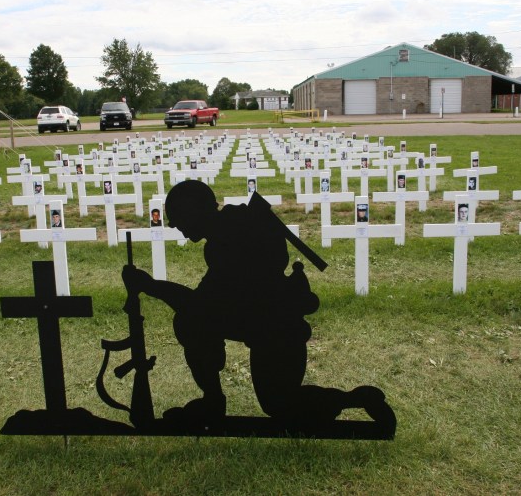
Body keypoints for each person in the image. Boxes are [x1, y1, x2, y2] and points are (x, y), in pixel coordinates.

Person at [122, 180, 393, 428]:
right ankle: (213, 400)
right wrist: (152, 286)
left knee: (280, 405)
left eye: (179, 219)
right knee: (191, 322)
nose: (177, 227)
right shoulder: (223, 235)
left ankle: (354, 400)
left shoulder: (229, 239)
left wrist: (150, 286)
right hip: (258, 324)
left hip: (275, 330)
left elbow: (200, 302)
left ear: (194, 213)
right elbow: (204, 305)